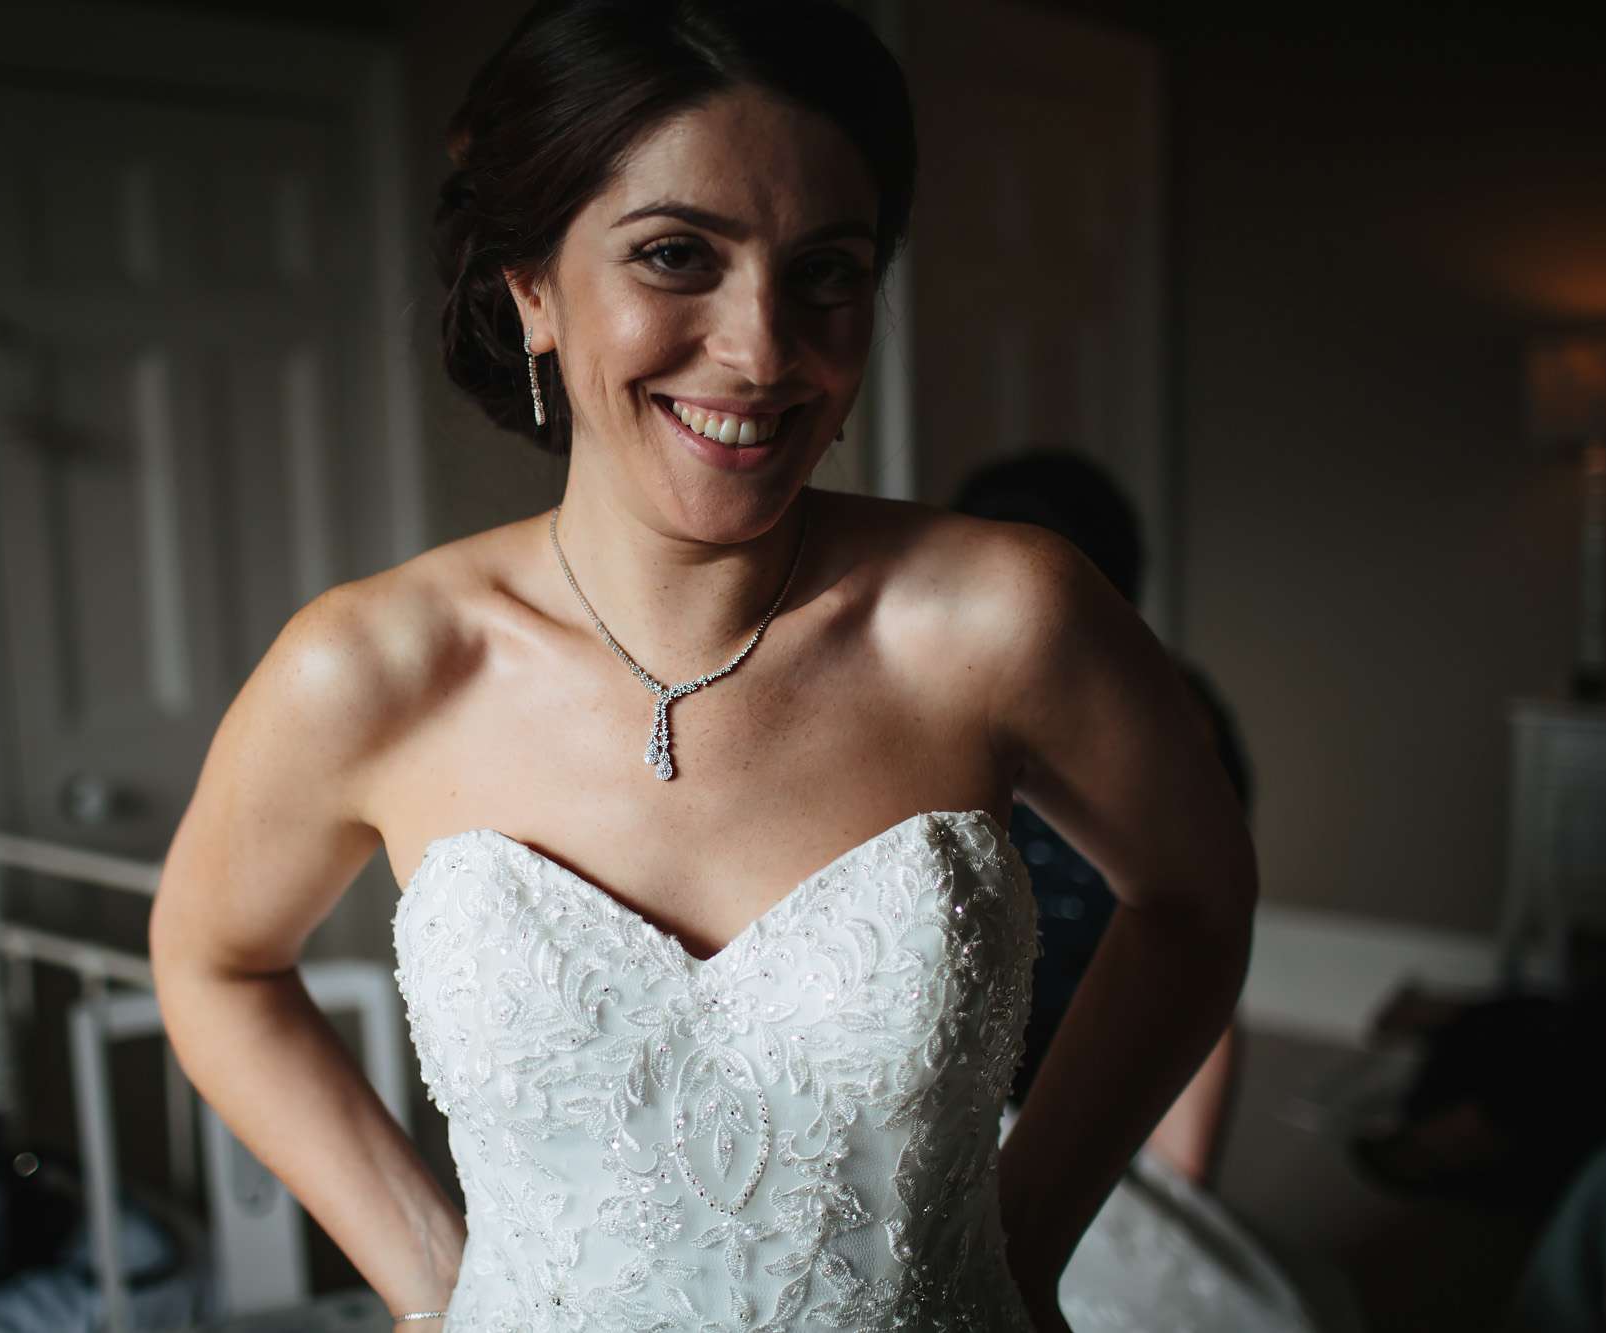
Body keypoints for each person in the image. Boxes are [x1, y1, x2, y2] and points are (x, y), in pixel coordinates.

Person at [147, 3, 1255, 1330]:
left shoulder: (1005, 620)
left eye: (828, 273)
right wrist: (435, 1279)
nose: (763, 350)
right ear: (532, 287)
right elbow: (210, 961)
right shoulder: (375, 668)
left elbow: (1197, 901)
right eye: (679, 255)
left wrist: (1027, 1230)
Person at [953, 451, 1251, 1189]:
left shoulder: (1181, 726)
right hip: (955, 1074)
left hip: (1110, 1065)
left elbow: (1202, 949)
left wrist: (1183, 1194)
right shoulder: (928, 709)